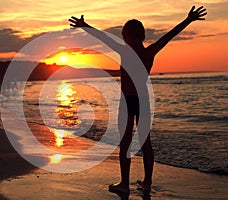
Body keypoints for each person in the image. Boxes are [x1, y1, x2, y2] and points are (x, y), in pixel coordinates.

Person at [69, 6, 207, 196]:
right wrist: (188, 19)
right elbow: (169, 36)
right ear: (142, 35)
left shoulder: (124, 51)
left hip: (127, 101)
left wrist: (84, 25)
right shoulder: (149, 52)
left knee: (125, 143)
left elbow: (104, 38)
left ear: (125, 35)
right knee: (145, 143)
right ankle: (147, 183)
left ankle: (124, 183)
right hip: (143, 101)